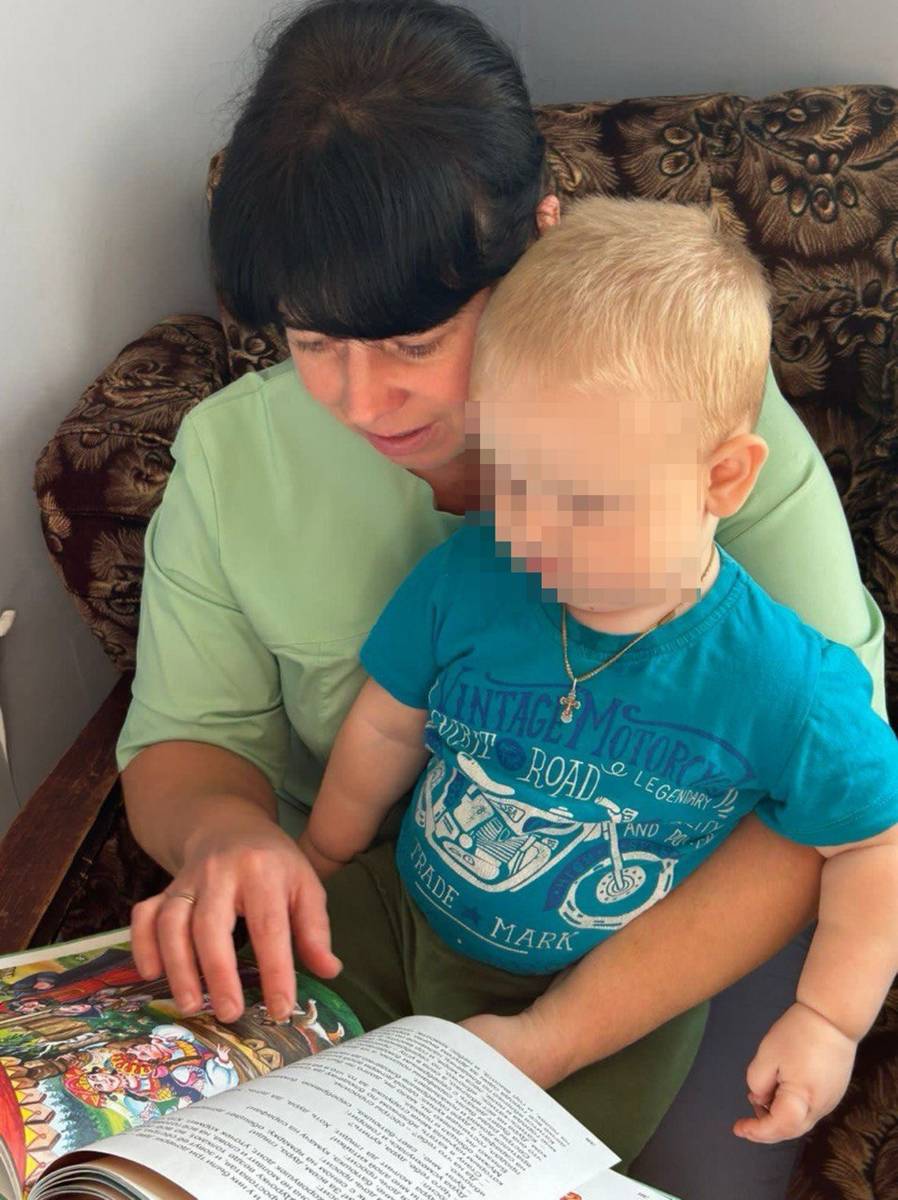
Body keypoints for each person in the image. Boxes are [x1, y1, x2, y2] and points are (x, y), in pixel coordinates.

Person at [118, 1, 886, 1194]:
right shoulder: (232, 457)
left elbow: (824, 793)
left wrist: (566, 1032)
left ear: (537, 235)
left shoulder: (694, 429)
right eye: (313, 342)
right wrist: (234, 837)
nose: (362, 402)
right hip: (372, 913)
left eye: (414, 340)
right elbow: (185, 739)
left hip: (658, 950)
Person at [297, 195, 898, 1167]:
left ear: (722, 480)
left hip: (599, 997)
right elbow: (387, 725)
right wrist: (323, 854)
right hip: (401, 911)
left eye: (581, 500)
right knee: (268, 1045)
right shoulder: (474, 571)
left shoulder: (788, 684)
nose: (530, 531)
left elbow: (874, 844)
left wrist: (828, 1019)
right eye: (511, 478)